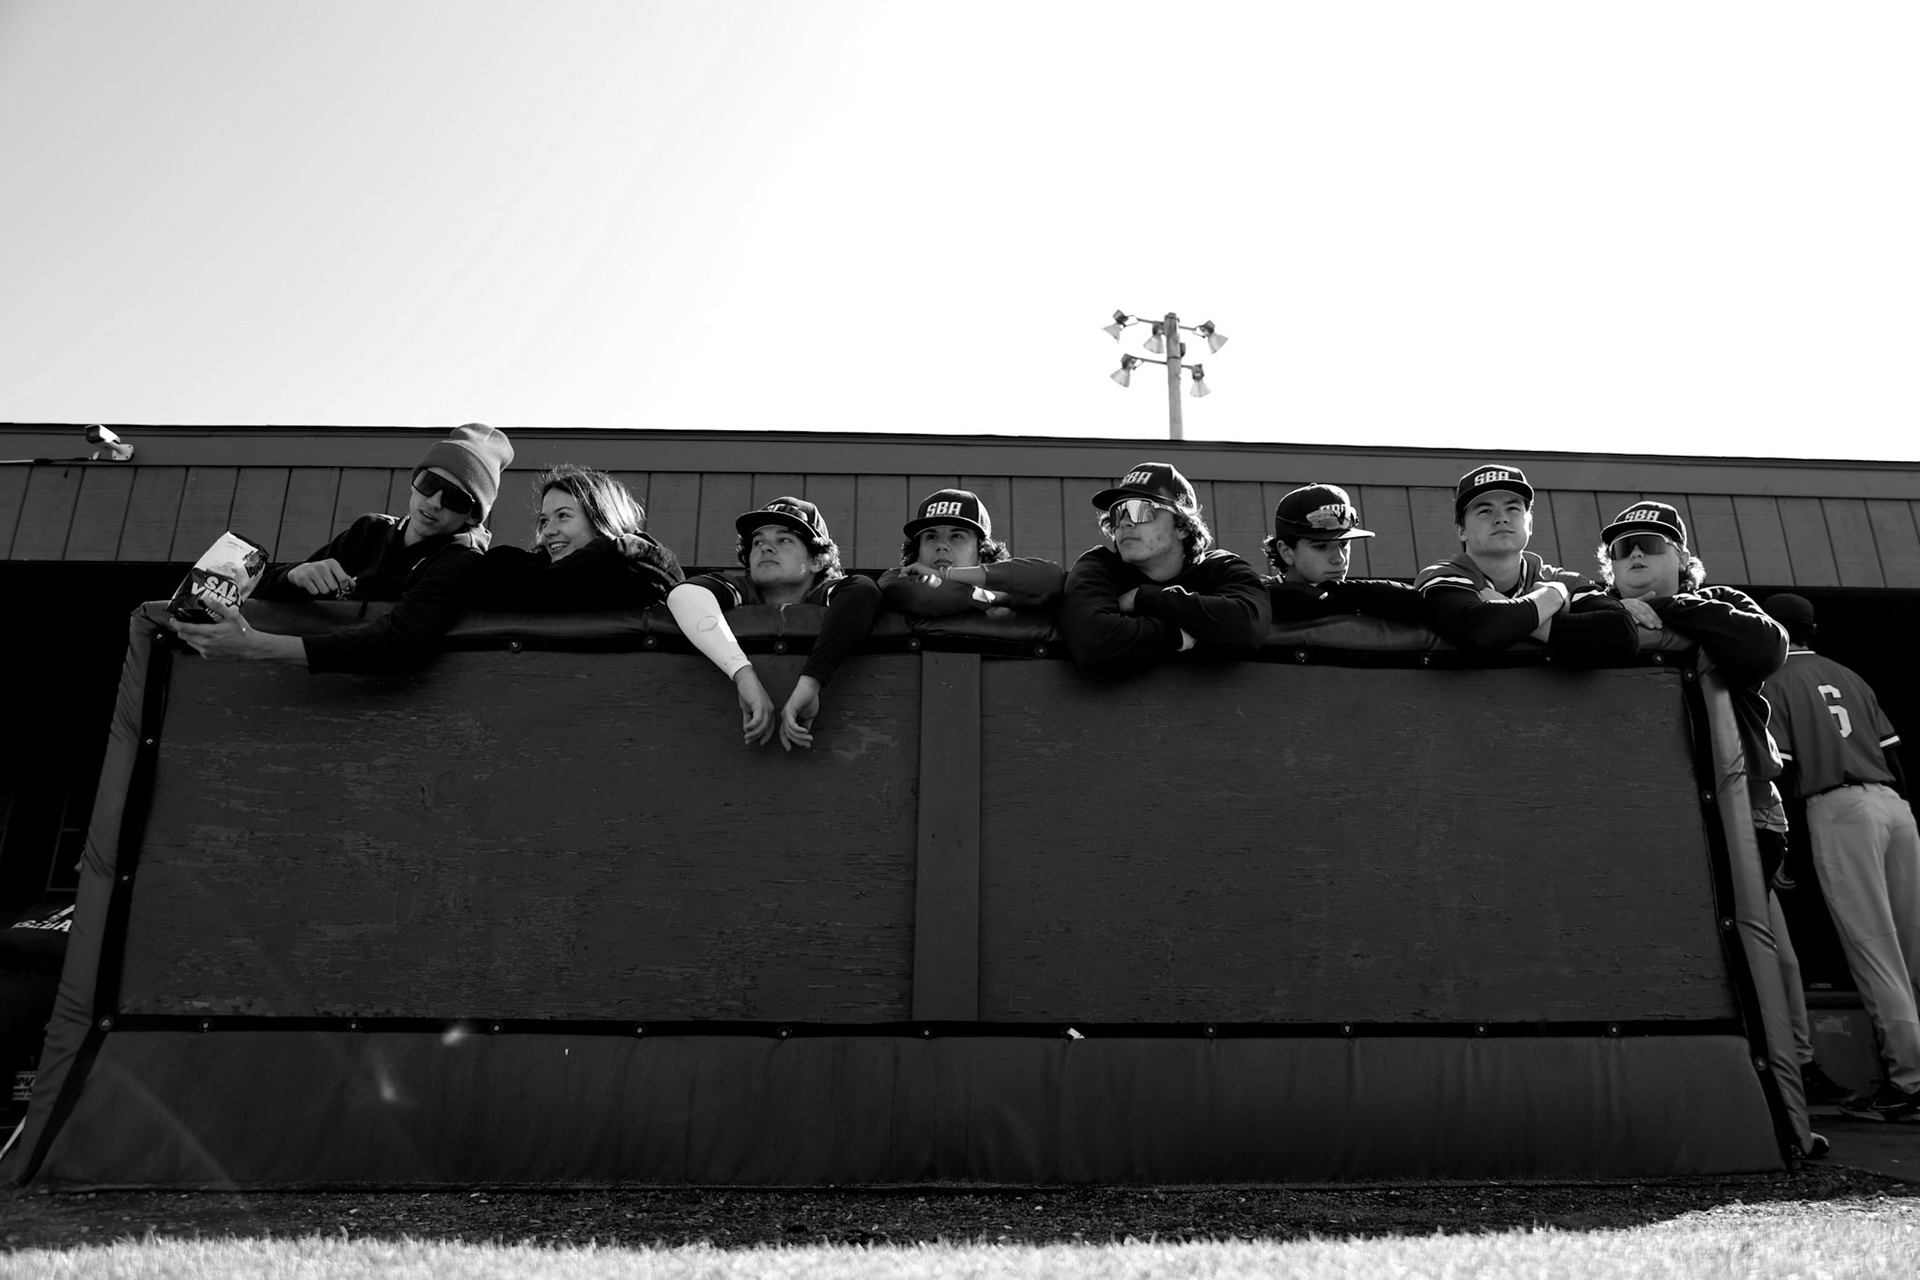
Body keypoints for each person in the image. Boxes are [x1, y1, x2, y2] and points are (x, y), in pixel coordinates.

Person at [1590, 500, 1827, 1156]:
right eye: (1623, 551)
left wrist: (1667, 608)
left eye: (1651, 548)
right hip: (1650, 818)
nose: (1635, 559)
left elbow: (1765, 645)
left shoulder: (1716, 602)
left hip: (1741, 810)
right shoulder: (1594, 605)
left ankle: (1786, 1113)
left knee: (1759, 959)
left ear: (1683, 561)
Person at [168, 422, 513, 673]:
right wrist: (295, 576)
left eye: (455, 498)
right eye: (429, 483)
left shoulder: (461, 561)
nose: (434, 502)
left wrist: (254, 646)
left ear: (472, 516)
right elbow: (269, 587)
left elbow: (395, 642)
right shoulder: (371, 529)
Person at [1761, 592, 1920, 1124]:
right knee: (1914, 947)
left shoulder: (1774, 678)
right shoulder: (1850, 675)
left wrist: (1783, 852)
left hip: (1839, 806)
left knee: (1877, 952)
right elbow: (1894, 753)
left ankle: (1909, 1085)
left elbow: (1775, 771)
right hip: (1894, 806)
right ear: (1813, 628)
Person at [666, 497, 882, 751]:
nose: (765, 548)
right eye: (758, 542)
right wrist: (744, 677)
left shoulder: (824, 592)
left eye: (784, 540)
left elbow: (862, 591)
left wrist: (810, 683)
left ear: (817, 560)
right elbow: (685, 594)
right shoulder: (742, 588)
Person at [1057, 462, 1270, 664]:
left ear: (1182, 527)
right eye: (1117, 513)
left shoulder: (1221, 567)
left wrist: (1146, 597)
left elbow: (1249, 624)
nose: (1124, 522)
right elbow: (1093, 641)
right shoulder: (1099, 566)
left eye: (1140, 509)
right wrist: (1178, 635)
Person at [1415, 464, 1635, 659]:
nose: (1502, 518)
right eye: (1485, 511)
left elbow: (1623, 635)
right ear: (1461, 530)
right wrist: (1551, 597)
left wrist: (1510, 611)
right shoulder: (1441, 575)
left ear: (1529, 524)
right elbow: (1479, 631)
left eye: (1513, 508)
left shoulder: (1560, 579)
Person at [475, 464, 683, 611]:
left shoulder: (638, 563)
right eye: (544, 521)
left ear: (600, 518)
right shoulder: (530, 572)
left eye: (563, 516)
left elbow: (615, 558)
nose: (548, 531)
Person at [877, 489, 1063, 618]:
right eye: (931, 536)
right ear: (917, 551)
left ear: (982, 550)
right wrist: (997, 597)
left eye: (956, 536)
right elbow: (929, 596)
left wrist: (944, 574)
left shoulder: (1002, 582)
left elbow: (1051, 576)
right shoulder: (895, 577)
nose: (942, 545)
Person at [1261, 483, 1422, 624]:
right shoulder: (1255, 598)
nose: (1339, 559)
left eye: (1343, 544)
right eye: (1320, 547)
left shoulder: (1354, 594)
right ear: (1286, 552)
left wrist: (1332, 590)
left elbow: (1411, 598)